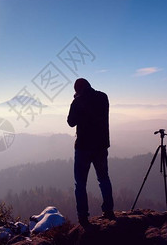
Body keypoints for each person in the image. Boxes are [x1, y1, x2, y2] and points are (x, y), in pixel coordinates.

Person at [67, 78, 115, 227]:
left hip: (83, 147)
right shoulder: (103, 97)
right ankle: (108, 210)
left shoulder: (78, 102)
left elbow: (70, 122)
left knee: (80, 184)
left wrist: (76, 100)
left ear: (78, 90)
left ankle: (83, 217)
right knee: (103, 178)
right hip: (101, 146)